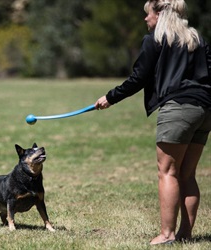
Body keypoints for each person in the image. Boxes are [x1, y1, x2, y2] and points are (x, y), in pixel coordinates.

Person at [94, 0, 211, 245]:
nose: (145, 20)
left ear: (159, 14)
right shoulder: (196, 40)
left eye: (147, 14)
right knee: (187, 173)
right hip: (204, 109)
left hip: (178, 109)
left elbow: (138, 77)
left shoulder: (155, 39)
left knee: (167, 171)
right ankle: (184, 235)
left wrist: (110, 97)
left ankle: (167, 235)